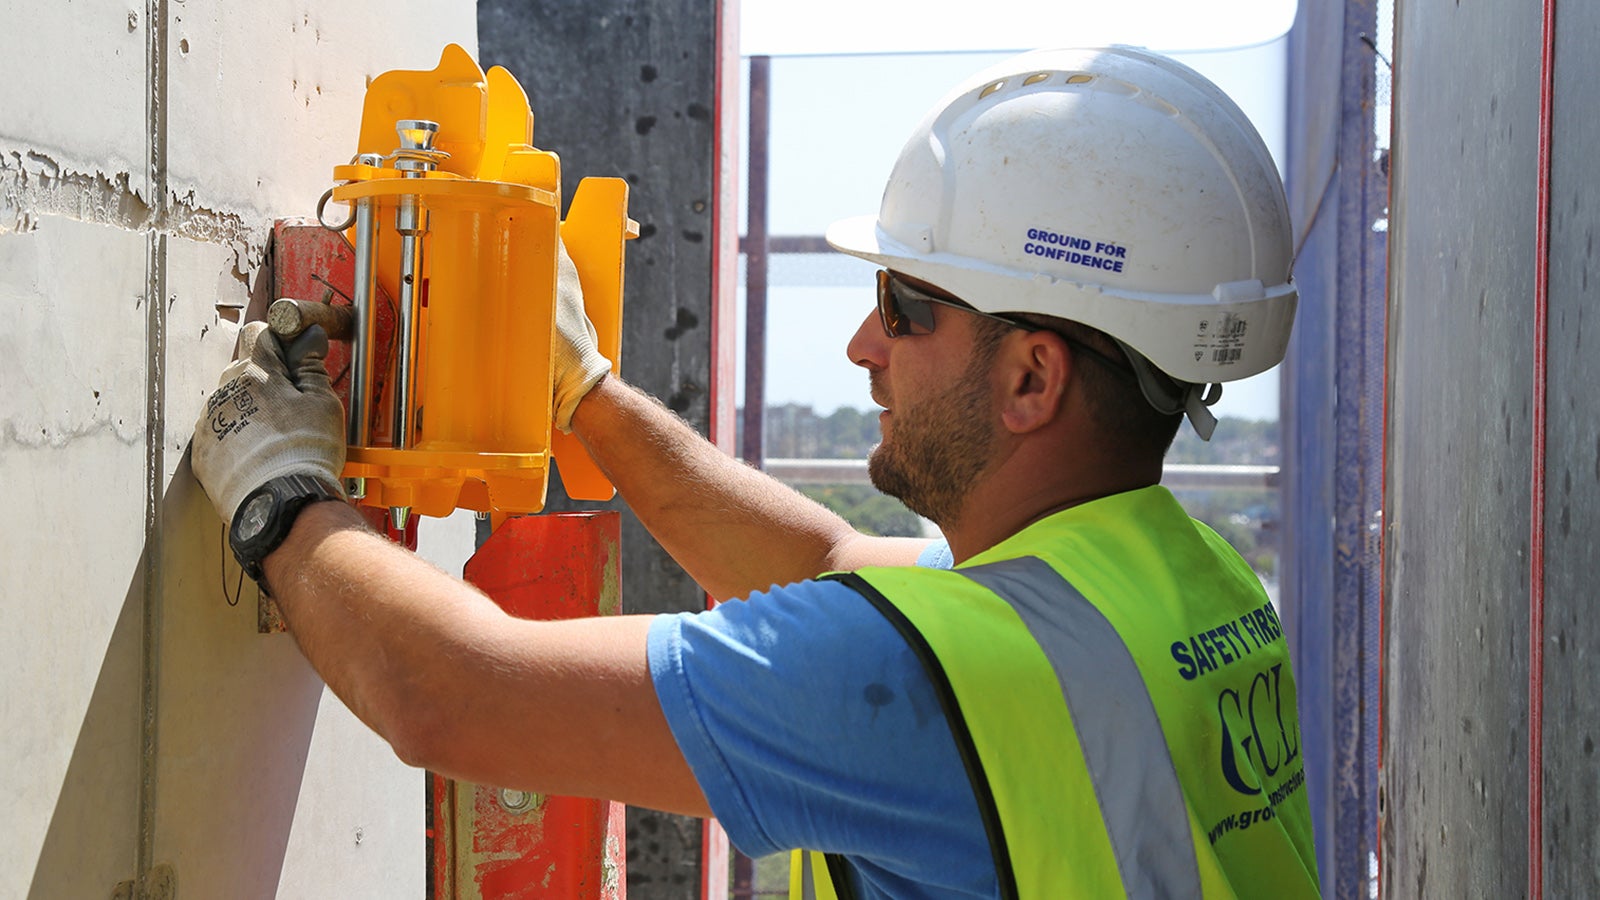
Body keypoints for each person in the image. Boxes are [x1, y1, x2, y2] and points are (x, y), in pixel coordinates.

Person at [192, 47, 1318, 899]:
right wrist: (583, 389)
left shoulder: (949, 683)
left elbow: (449, 695)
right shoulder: (1177, 580)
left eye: (903, 308)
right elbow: (823, 558)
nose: (862, 347)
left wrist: (282, 488)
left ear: (1033, 378)